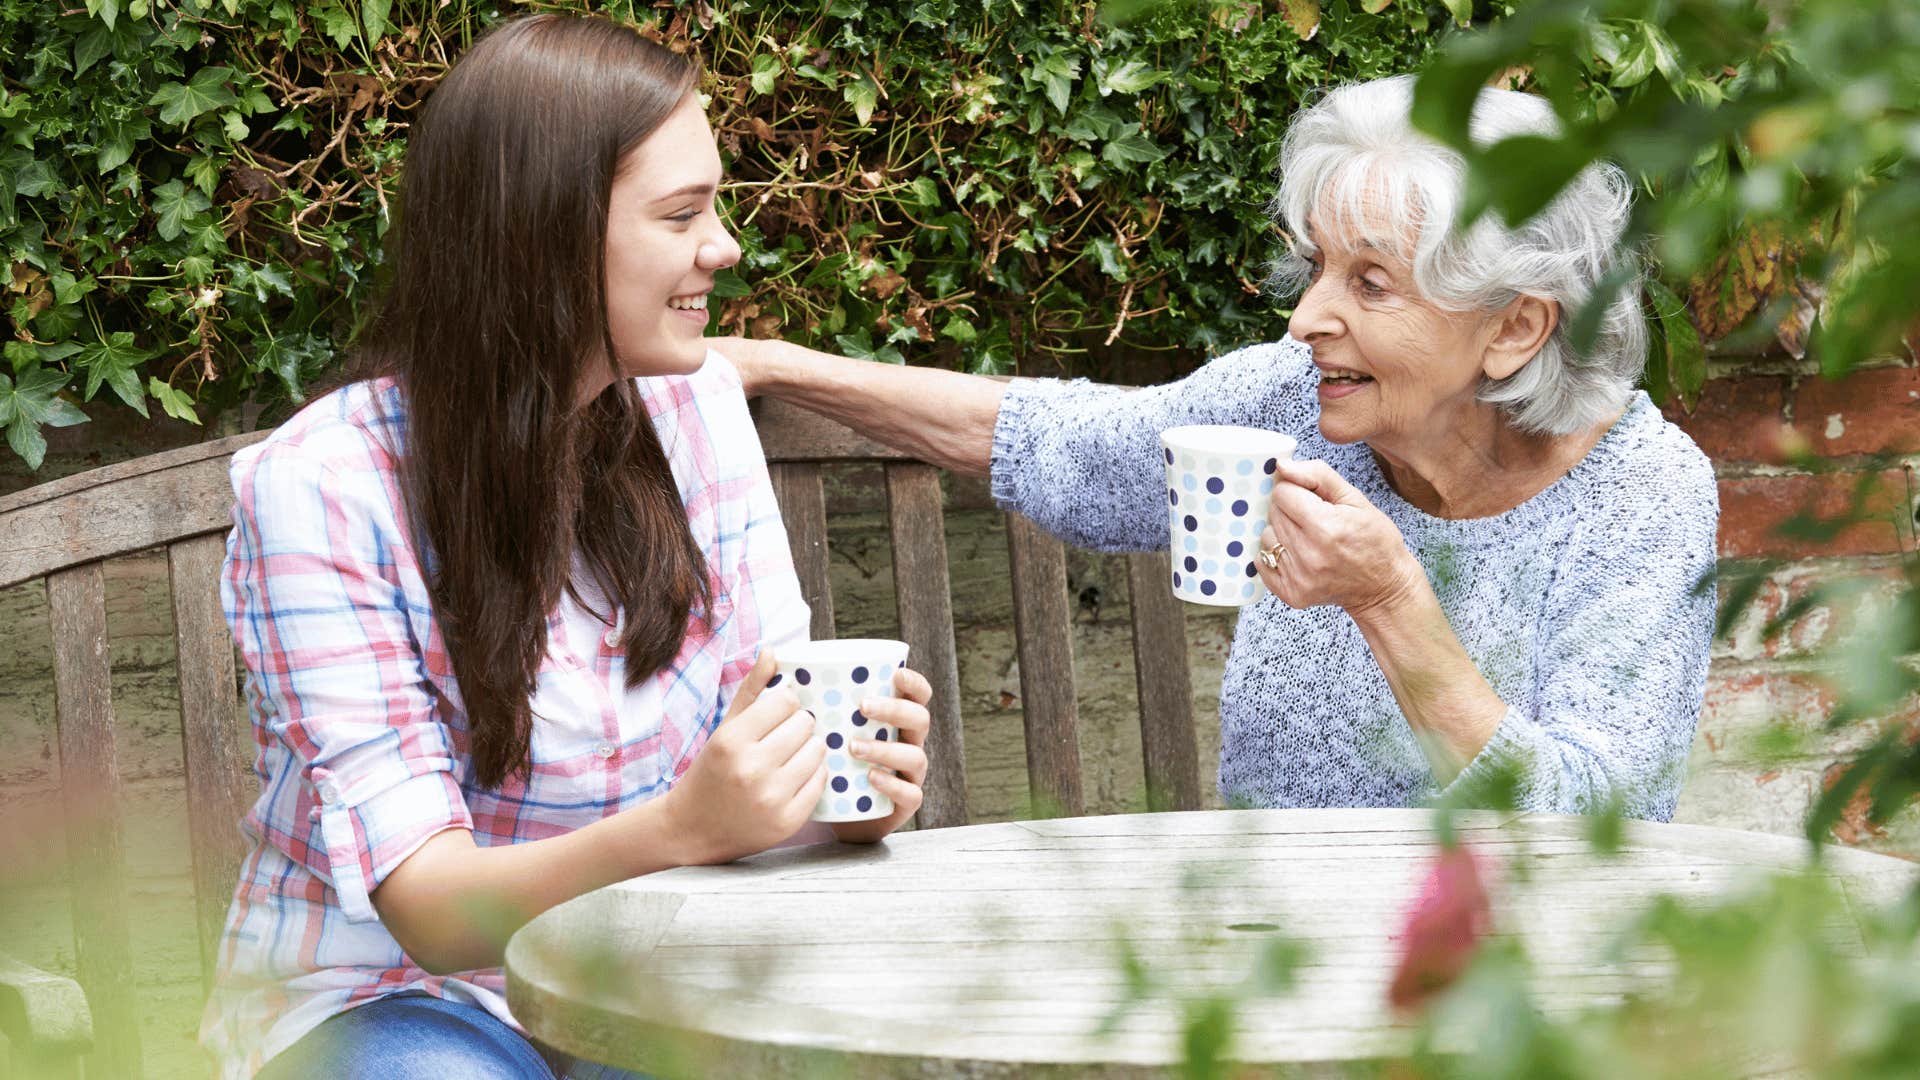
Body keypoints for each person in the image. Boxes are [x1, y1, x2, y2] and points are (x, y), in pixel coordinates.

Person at [198, 15, 933, 1079]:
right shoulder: (324, 487)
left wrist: (836, 794)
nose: (724, 247)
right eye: (682, 214)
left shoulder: (696, 417)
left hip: (653, 972)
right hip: (396, 1001)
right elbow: (434, 913)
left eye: (715, 206)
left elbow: (764, 750)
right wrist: (685, 826)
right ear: (541, 232)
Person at [721, 75, 1716, 824]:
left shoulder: (1639, 496)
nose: (1305, 318)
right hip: (1265, 960)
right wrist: (775, 365)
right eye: (1319, 265)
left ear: (1514, 328)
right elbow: (1060, 442)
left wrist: (1390, 601)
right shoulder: (1294, 400)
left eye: (1370, 283)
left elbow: (1603, 828)